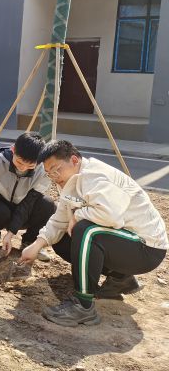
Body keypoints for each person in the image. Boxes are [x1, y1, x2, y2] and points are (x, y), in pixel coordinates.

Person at [20, 140, 168, 327]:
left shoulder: (96, 176)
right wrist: (37, 245)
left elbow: (110, 216)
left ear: (74, 160)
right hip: (124, 243)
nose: (54, 177)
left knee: (86, 231)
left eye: (56, 169)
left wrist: (77, 216)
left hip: (146, 247)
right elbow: (59, 219)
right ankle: (120, 279)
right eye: (49, 173)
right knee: (62, 239)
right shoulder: (70, 181)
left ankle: (83, 306)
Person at [0, 132, 55, 261]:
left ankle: (30, 242)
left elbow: (28, 204)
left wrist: (10, 234)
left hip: (25, 211)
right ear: (13, 149)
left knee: (48, 204)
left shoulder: (43, 171)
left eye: (30, 166)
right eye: (20, 162)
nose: (23, 168)